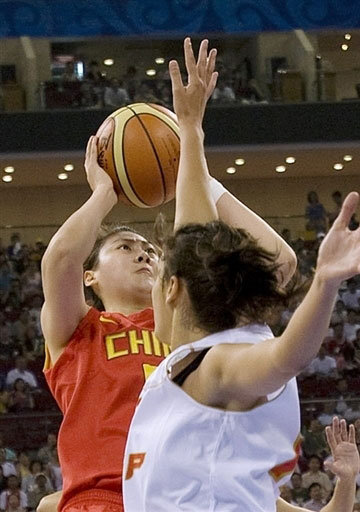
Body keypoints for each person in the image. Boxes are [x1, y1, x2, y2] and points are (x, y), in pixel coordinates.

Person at [122, 37, 360, 512]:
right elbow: (197, 237)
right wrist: (189, 131)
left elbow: (286, 356)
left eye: (160, 272)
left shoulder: (216, 364)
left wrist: (325, 285)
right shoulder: (194, 364)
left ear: (173, 289)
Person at [41, 38, 297, 512]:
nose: (144, 255)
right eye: (125, 247)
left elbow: (277, 264)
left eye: (151, 251)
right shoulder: (81, 333)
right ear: (91, 278)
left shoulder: (191, 322)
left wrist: (196, 165)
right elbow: (59, 262)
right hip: (105, 498)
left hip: (185, 493)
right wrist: (105, 192)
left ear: (172, 282)